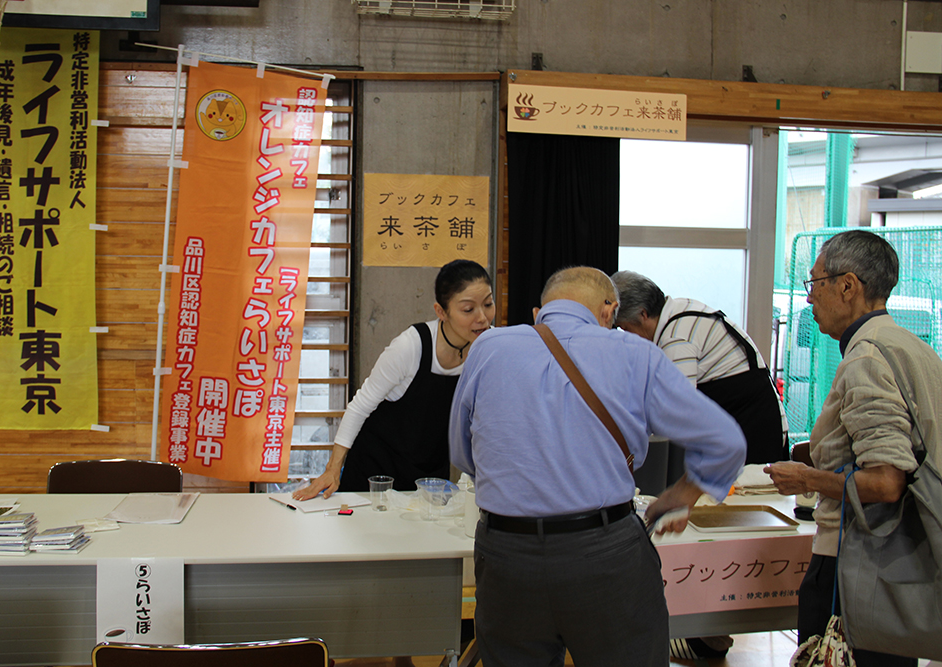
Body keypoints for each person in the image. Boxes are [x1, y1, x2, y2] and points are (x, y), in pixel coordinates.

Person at [449, 266, 746, 667]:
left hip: (506, 556)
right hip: (604, 554)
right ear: (609, 311)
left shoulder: (489, 348)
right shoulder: (636, 354)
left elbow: (462, 451)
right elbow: (724, 441)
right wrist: (684, 493)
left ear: (540, 312)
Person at [765, 230, 937, 667]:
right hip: (904, 566)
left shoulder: (866, 359)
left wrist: (803, 478)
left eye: (814, 284)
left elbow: (885, 481)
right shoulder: (915, 349)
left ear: (847, 286)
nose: (808, 299)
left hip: (858, 566)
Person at [294, 259, 494, 500]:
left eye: (488, 304)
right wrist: (333, 469)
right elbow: (359, 407)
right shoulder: (411, 346)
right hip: (375, 472)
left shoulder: (489, 347)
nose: (482, 318)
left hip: (428, 476)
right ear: (441, 311)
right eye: (468, 309)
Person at [612, 270, 788, 465]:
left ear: (642, 314)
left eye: (625, 328)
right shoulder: (679, 309)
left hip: (754, 429)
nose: (628, 336)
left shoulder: (676, 337)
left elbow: (676, 413)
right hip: (748, 420)